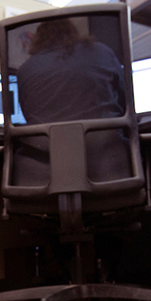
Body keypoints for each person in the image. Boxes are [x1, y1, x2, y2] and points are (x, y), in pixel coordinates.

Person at [11, 18, 132, 185]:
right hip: (109, 168)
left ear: (39, 39)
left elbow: (28, 116)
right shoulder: (102, 52)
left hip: (43, 178)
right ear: (72, 32)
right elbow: (126, 105)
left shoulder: (25, 70)